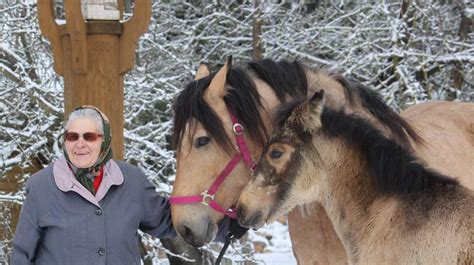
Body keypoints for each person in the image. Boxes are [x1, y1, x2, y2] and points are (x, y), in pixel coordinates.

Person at [12, 105, 233, 265]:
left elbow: (169, 221)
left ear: (105, 140)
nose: (79, 144)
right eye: (72, 136)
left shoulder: (131, 181)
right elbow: (22, 254)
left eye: (89, 137)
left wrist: (229, 224)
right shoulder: (41, 186)